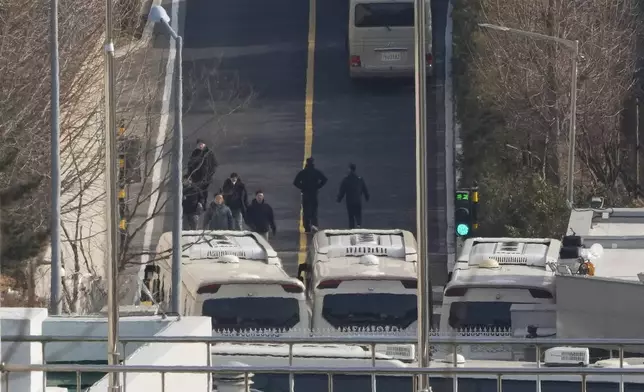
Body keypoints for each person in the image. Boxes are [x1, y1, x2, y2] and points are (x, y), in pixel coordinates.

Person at [293, 157, 327, 233]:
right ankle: (314, 225)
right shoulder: (316, 172)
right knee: (314, 211)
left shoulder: (303, 172)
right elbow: (324, 179)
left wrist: (302, 187)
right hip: (314, 194)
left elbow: (295, 182)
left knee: (305, 211)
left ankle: (307, 227)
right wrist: (318, 186)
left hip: (306, 194)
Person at [336, 163, 370, 229]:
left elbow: (342, 191)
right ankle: (359, 225)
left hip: (350, 201)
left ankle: (352, 229)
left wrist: (338, 199)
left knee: (351, 217)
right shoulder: (360, 179)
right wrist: (367, 197)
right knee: (358, 215)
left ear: (349, 169)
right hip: (358, 200)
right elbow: (364, 189)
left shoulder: (346, 180)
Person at [187, 139, 218, 205]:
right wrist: (189, 174)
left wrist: (210, 173)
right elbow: (190, 164)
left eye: (202, 144)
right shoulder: (195, 153)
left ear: (205, 144)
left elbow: (215, 164)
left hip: (206, 177)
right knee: (197, 191)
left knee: (204, 190)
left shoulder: (209, 153)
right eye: (199, 144)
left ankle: (203, 203)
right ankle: (198, 204)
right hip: (196, 177)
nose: (200, 146)